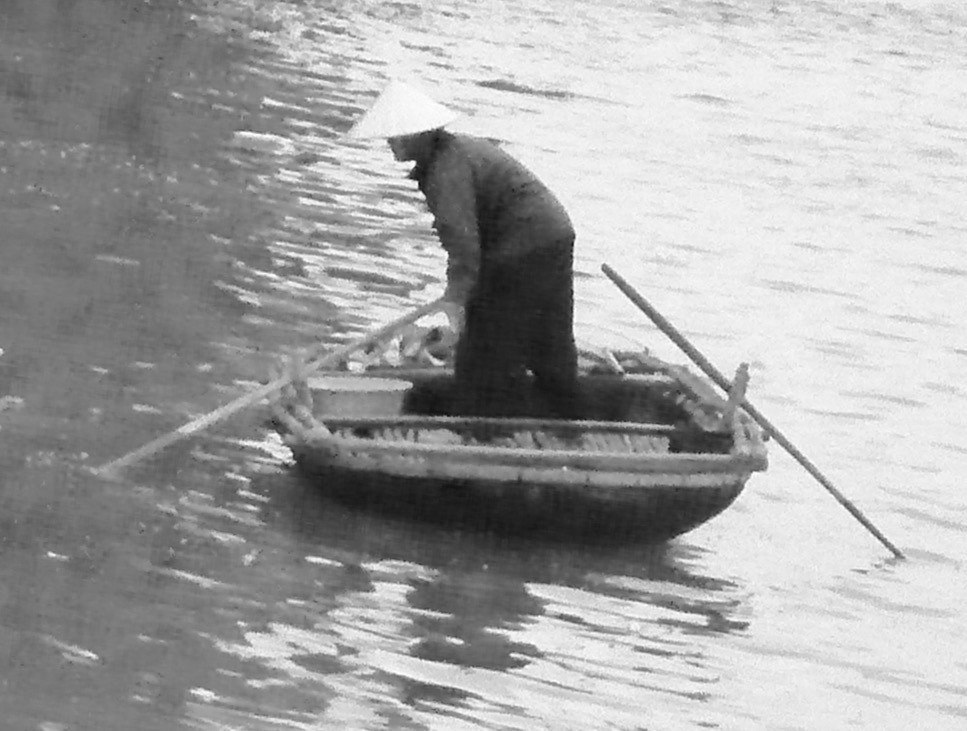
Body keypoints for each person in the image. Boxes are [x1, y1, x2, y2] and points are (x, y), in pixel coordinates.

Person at [348, 80, 579, 419]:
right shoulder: (457, 154)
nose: (391, 143)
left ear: (423, 134)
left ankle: (484, 432)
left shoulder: (446, 171)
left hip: (521, 247)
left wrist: (455, 298)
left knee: (484, 356)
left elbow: (463, 244)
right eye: (390, 136)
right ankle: (570, 420)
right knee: (550, 342)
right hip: (553, 235)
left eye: (399, 135)